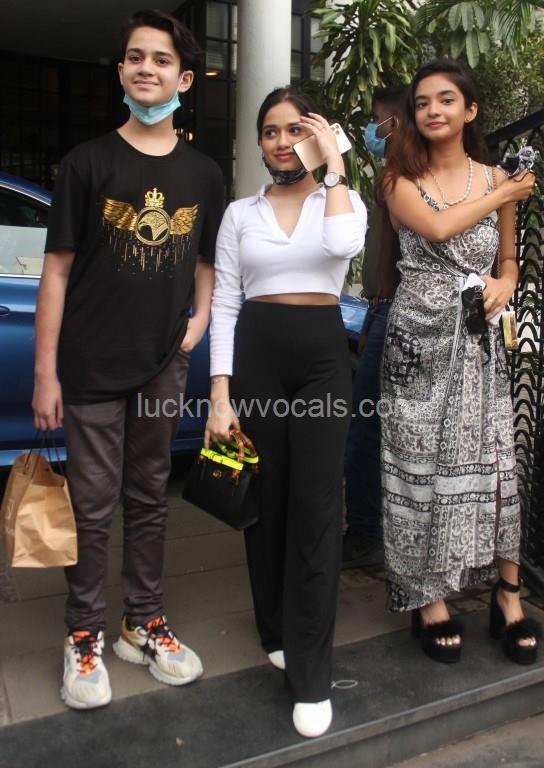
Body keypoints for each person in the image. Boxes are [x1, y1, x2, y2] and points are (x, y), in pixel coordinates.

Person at [32, 10, 224, 709]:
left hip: (160, 363)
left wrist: (198, 321)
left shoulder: (203, 174)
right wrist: (46, 371)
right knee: (90, 506)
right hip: (88, 363)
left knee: (149, 498)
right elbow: (56, 271)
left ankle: (141, 623)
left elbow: (205, 263)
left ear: (184, 79)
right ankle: (83, 632)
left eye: (162, 59)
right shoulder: (86, 164)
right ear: (120, 71)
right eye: (136, 57)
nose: (148, 68)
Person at [206, 88, 367, 737]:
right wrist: (220, 394)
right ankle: (273, 625)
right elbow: (224, 302)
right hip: (258, 356)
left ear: (316, 135)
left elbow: (345, 243)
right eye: (270, 131)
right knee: (265, 499)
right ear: (258, 142)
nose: (281, 141)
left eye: (295, 129)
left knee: (317, 506)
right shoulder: (239, 214)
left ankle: (311, 671)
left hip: (323, 356)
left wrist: (335, 165)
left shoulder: (341, 198)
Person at [379, 59, 540, 664]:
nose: (433, 110)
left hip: (476, 341)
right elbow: (439, 228)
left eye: (446, 99)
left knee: (496, 461)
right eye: (422, 102)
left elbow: (508, 258)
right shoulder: (398, 178)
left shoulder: (497, 178)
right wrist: (504, 192)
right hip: (416, 344)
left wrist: (506, 283)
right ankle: (427, 597)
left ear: (469, 110)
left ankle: (508, 594)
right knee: (415, 464)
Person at [342, 86, 406, 569]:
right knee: (371, 420)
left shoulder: (402, 179)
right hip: (381, 307)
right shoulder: (394, 175)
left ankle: (367, 533)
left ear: (394, 124)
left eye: (376, 120)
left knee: (365, 424)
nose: (371, 129)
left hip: (394, 308)